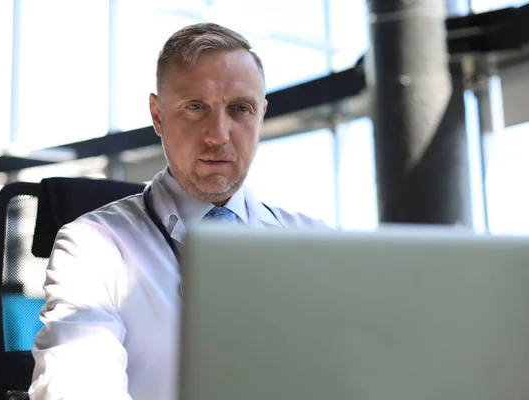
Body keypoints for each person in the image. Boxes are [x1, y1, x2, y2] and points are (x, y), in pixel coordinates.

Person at [29, 22, 326, 400]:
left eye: (240, 109)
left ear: (261, 115)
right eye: (195, 107)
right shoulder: (93, 248)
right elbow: (75, 386)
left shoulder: (314, 243)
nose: (218, 134)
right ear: (158, 115)